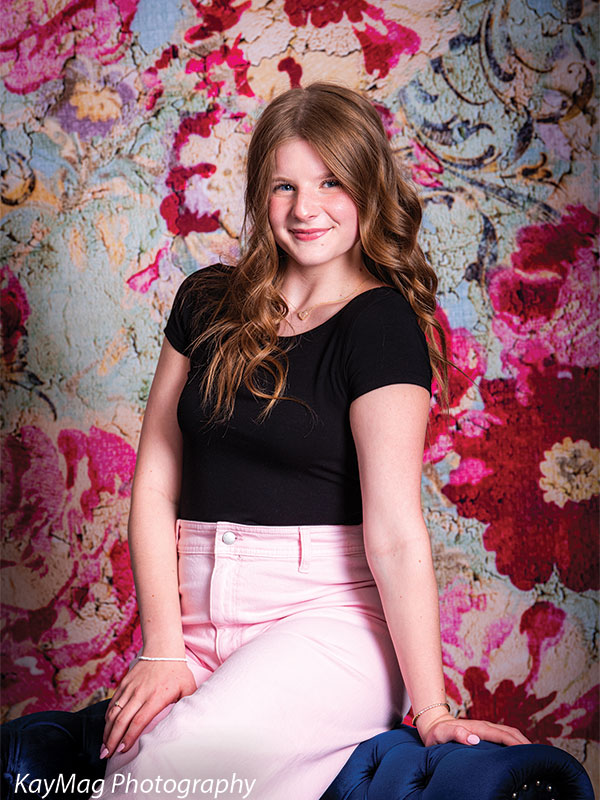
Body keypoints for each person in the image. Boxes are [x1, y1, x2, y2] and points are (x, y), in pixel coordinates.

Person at [97, 82, 529, 799]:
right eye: (284, 186)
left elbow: (393, 531)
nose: (306, 208)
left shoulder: (380, 324)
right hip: (196, 620)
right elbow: (154, 482)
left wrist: (431, 709)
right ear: (260, 196)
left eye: (331, 181)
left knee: (160, 780)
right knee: (129, 768)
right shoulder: (205, 300)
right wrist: (163, 647)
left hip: (325, 623)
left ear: (367, 184)